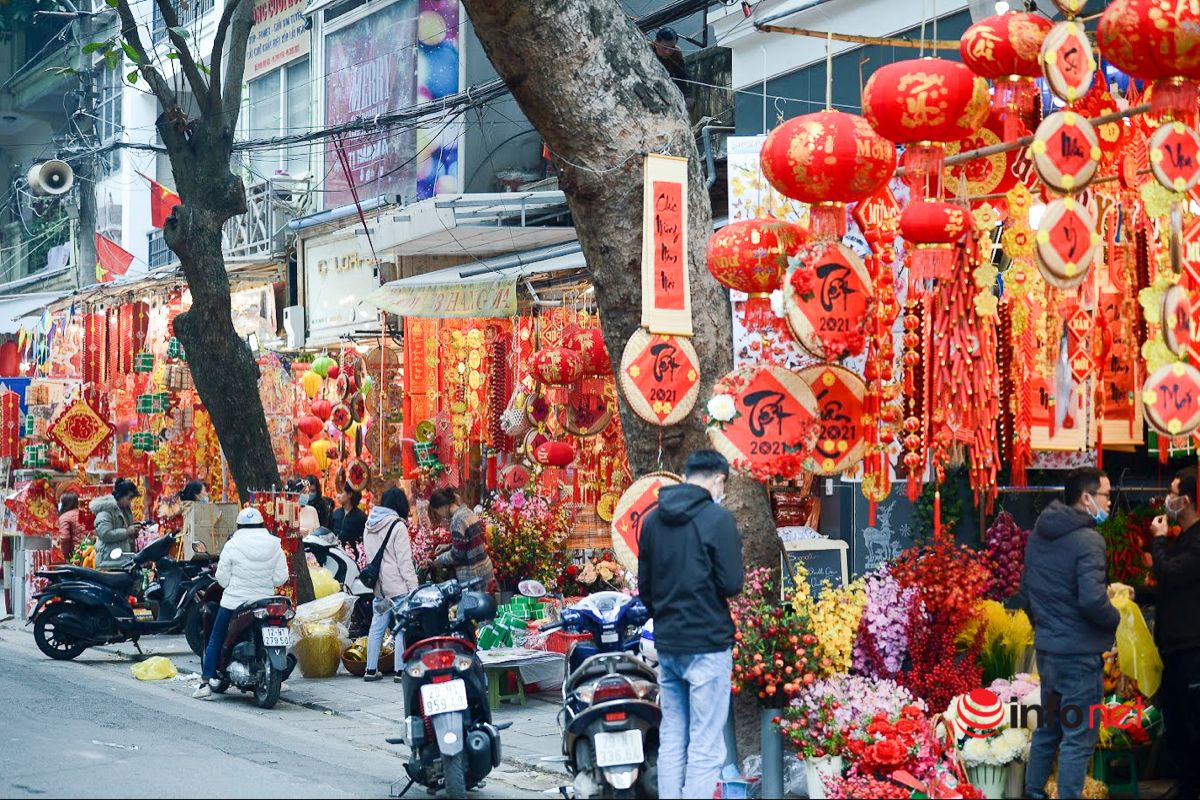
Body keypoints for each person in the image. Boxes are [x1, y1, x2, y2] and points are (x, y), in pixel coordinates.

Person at [636, 449, 743, 800]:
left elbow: (646, 589)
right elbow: (732, 584)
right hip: (708, 643)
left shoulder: (652, 520)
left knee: (673, 737)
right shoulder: (717, 519)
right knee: (706, 744)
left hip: (668, 645)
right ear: (718, 479)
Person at [1019, 467, 1120, 800]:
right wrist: (1115, 617)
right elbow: (1092, 599)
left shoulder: (1038, 535)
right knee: (1079, 736)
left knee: (1048, 731)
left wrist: (1046, 628)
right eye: (1106, 495)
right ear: (1087, 498)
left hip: (1048, 655)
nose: (1109, 501)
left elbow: (1026, 593)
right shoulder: (1089, 540)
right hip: (1078, 659)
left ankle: (1033, 794)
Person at [1120, 467, 1200, 798]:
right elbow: (1173, 589)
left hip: (1193, 649)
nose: (1167, 499)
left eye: (1172, 492)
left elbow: (1171, 574)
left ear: (1188, 500)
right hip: (1174, 647)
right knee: (1177, 724)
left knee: (1194, 725)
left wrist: (1159, 540)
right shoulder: (1185, 538)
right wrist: (1137, 593)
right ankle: (1188, 785)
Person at [194, 507, 289, 700]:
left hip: (234, 602)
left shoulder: (233, 544)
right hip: (264, 601)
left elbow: (222, 579)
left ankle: (205, 682)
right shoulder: (274, 544)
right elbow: (281, 577)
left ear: (238, 526)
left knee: (216, 636)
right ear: (262, 525)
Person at [362, 487, 418, 681]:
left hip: (381, 590)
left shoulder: (369, 524)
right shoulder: (398, 526)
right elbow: (405, 563)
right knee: (401, 627)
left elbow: (370, 557)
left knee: (377, 626)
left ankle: (370, 669)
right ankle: (400, 670)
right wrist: (414, 589)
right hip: (399, 591)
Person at [429, 488, 494, 588]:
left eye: (437, 511)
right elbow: (468, 542)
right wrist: (448, 546)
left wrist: (438, 560)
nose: (440, 515)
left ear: (442, 507)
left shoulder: (457, 521)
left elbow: (457, 555)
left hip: (473, 576)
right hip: (485, 570)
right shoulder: (467, 511)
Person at [91, 479, 141, 570]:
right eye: (128, 498)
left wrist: (133, 533)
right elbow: (105, 534)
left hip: (121, 561)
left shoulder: (124, 509)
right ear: (120, 496)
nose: (130, 502)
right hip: (108, 562)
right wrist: (127, 532)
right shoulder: (106, 510)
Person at [651, 27, 694, 111]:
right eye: (664, 48)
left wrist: (687, 96)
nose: (668, 52)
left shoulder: (676, 53)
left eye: (671, 48)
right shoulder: (647, 49)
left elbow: (681, 78)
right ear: (656, 43)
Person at [55, 491, 85, 564]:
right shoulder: (84, 513)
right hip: (90, 551)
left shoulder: (64, 517)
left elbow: (65, 538)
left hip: (76, 554)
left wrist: (66, 555)